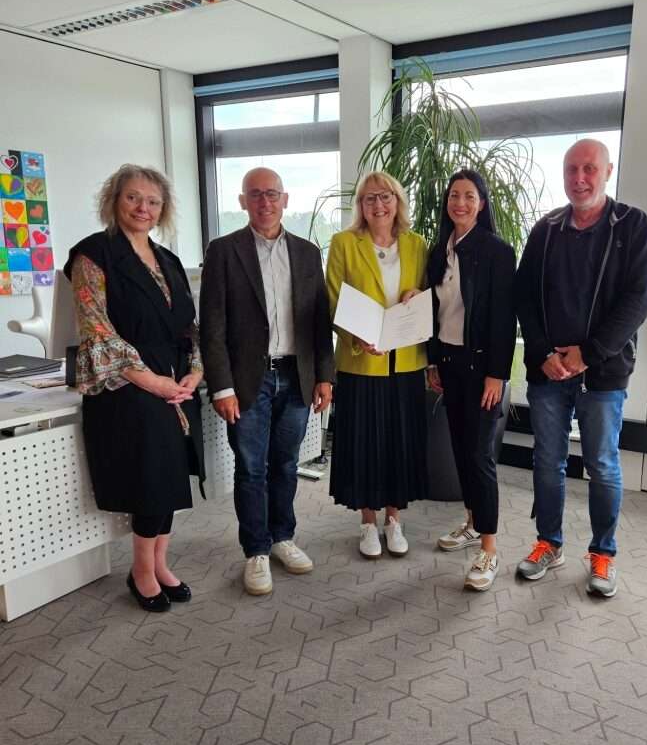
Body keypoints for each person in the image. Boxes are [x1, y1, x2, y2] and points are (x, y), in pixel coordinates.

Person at [515, 138, 647, 598]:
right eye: (571, 169)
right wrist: (543, 353)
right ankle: (549, 543)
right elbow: (524, 297)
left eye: (589, 169)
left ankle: (603, 552)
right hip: (548, 372)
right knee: (547, 461)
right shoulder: (545, 229)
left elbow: (637, 300)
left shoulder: (633, 225)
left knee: (603, 464)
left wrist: (587, 354)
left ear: (607, 171)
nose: (579, 178)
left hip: (602, 372)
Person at [64, 164, 205, 613]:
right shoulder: (92, 255)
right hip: (129, 385)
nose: (143, 208)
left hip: (175, 382)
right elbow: (96, 330)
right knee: (150, 481)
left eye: (153, 201)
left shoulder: (168, 260)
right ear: (114, 200)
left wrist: (194, 372)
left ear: (163, 209)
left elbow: (189, 327)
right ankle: (141, 570)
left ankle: (160, 562)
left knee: (172, 477)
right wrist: (151, 381)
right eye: (133, 197)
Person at [199, 167, 334, 598]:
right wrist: (221, 387)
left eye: (272, 194)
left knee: (286, 464)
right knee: (251, 468)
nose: (265, 202)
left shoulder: (308, 253)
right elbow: (212, 327)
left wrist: (325, 376)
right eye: (255, 194)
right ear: (243, 201)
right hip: (247, 381)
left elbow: (320, 321)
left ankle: (282, 537)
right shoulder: (224, 251)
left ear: (285, 199)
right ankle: (256, 549)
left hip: (296, 376)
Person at [326, 171, 428, 557]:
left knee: (399, 442)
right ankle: (368, 522)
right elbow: (333, 301)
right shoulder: (344, 243)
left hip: (405, 362)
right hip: (360, 363)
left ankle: (394, 519)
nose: (379, 205)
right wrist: (356, 337)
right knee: (364, 443)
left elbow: (429, 294)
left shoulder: (417, 244)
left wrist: (417, 294)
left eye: (385, 197)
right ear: (361, 206)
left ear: (397, 201)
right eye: (370, 199)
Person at [427, 169, 517, 591]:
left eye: (469, 196)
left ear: (482, 203)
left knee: (480, 455)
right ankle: (471, 521)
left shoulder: (497, 252)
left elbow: (504, 319)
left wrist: (497, 374)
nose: (459, 203)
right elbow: (434, 312)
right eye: (454, 195)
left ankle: (489, 548)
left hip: (482, 370)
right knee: (461, 451)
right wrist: (432, 363)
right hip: (448, 363)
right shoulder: (439, 251)